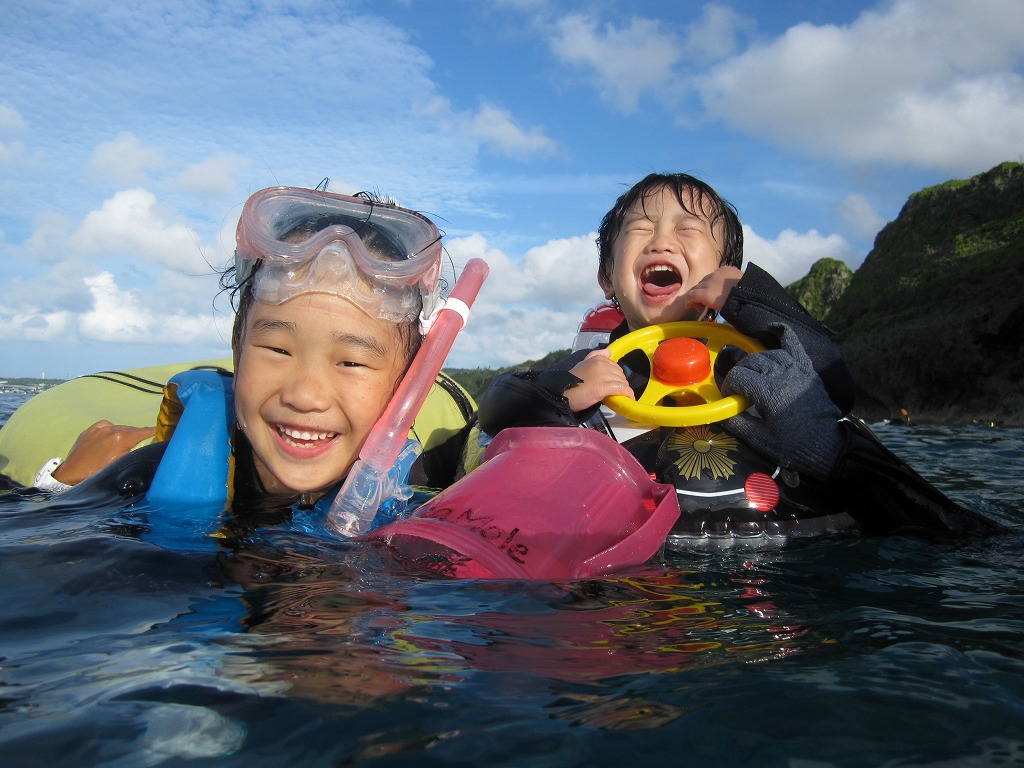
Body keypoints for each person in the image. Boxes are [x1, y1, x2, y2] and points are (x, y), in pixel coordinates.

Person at [476, 172, 999, 546]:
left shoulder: (773, 374)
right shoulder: (581, 377)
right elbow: (497, 408)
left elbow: (835, 382)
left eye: (688, 229)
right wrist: (553, 398)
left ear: (723, 272)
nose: (662, 237)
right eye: (640, 227)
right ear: (607, 278)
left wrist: (752, 297)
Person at [27, 185, 476, 532]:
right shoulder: (144, 480)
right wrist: (64, 490)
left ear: (410, 381)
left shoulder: (418, 506)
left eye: (351, 363)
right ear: (238, 349)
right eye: (278, 350)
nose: (304, 395)